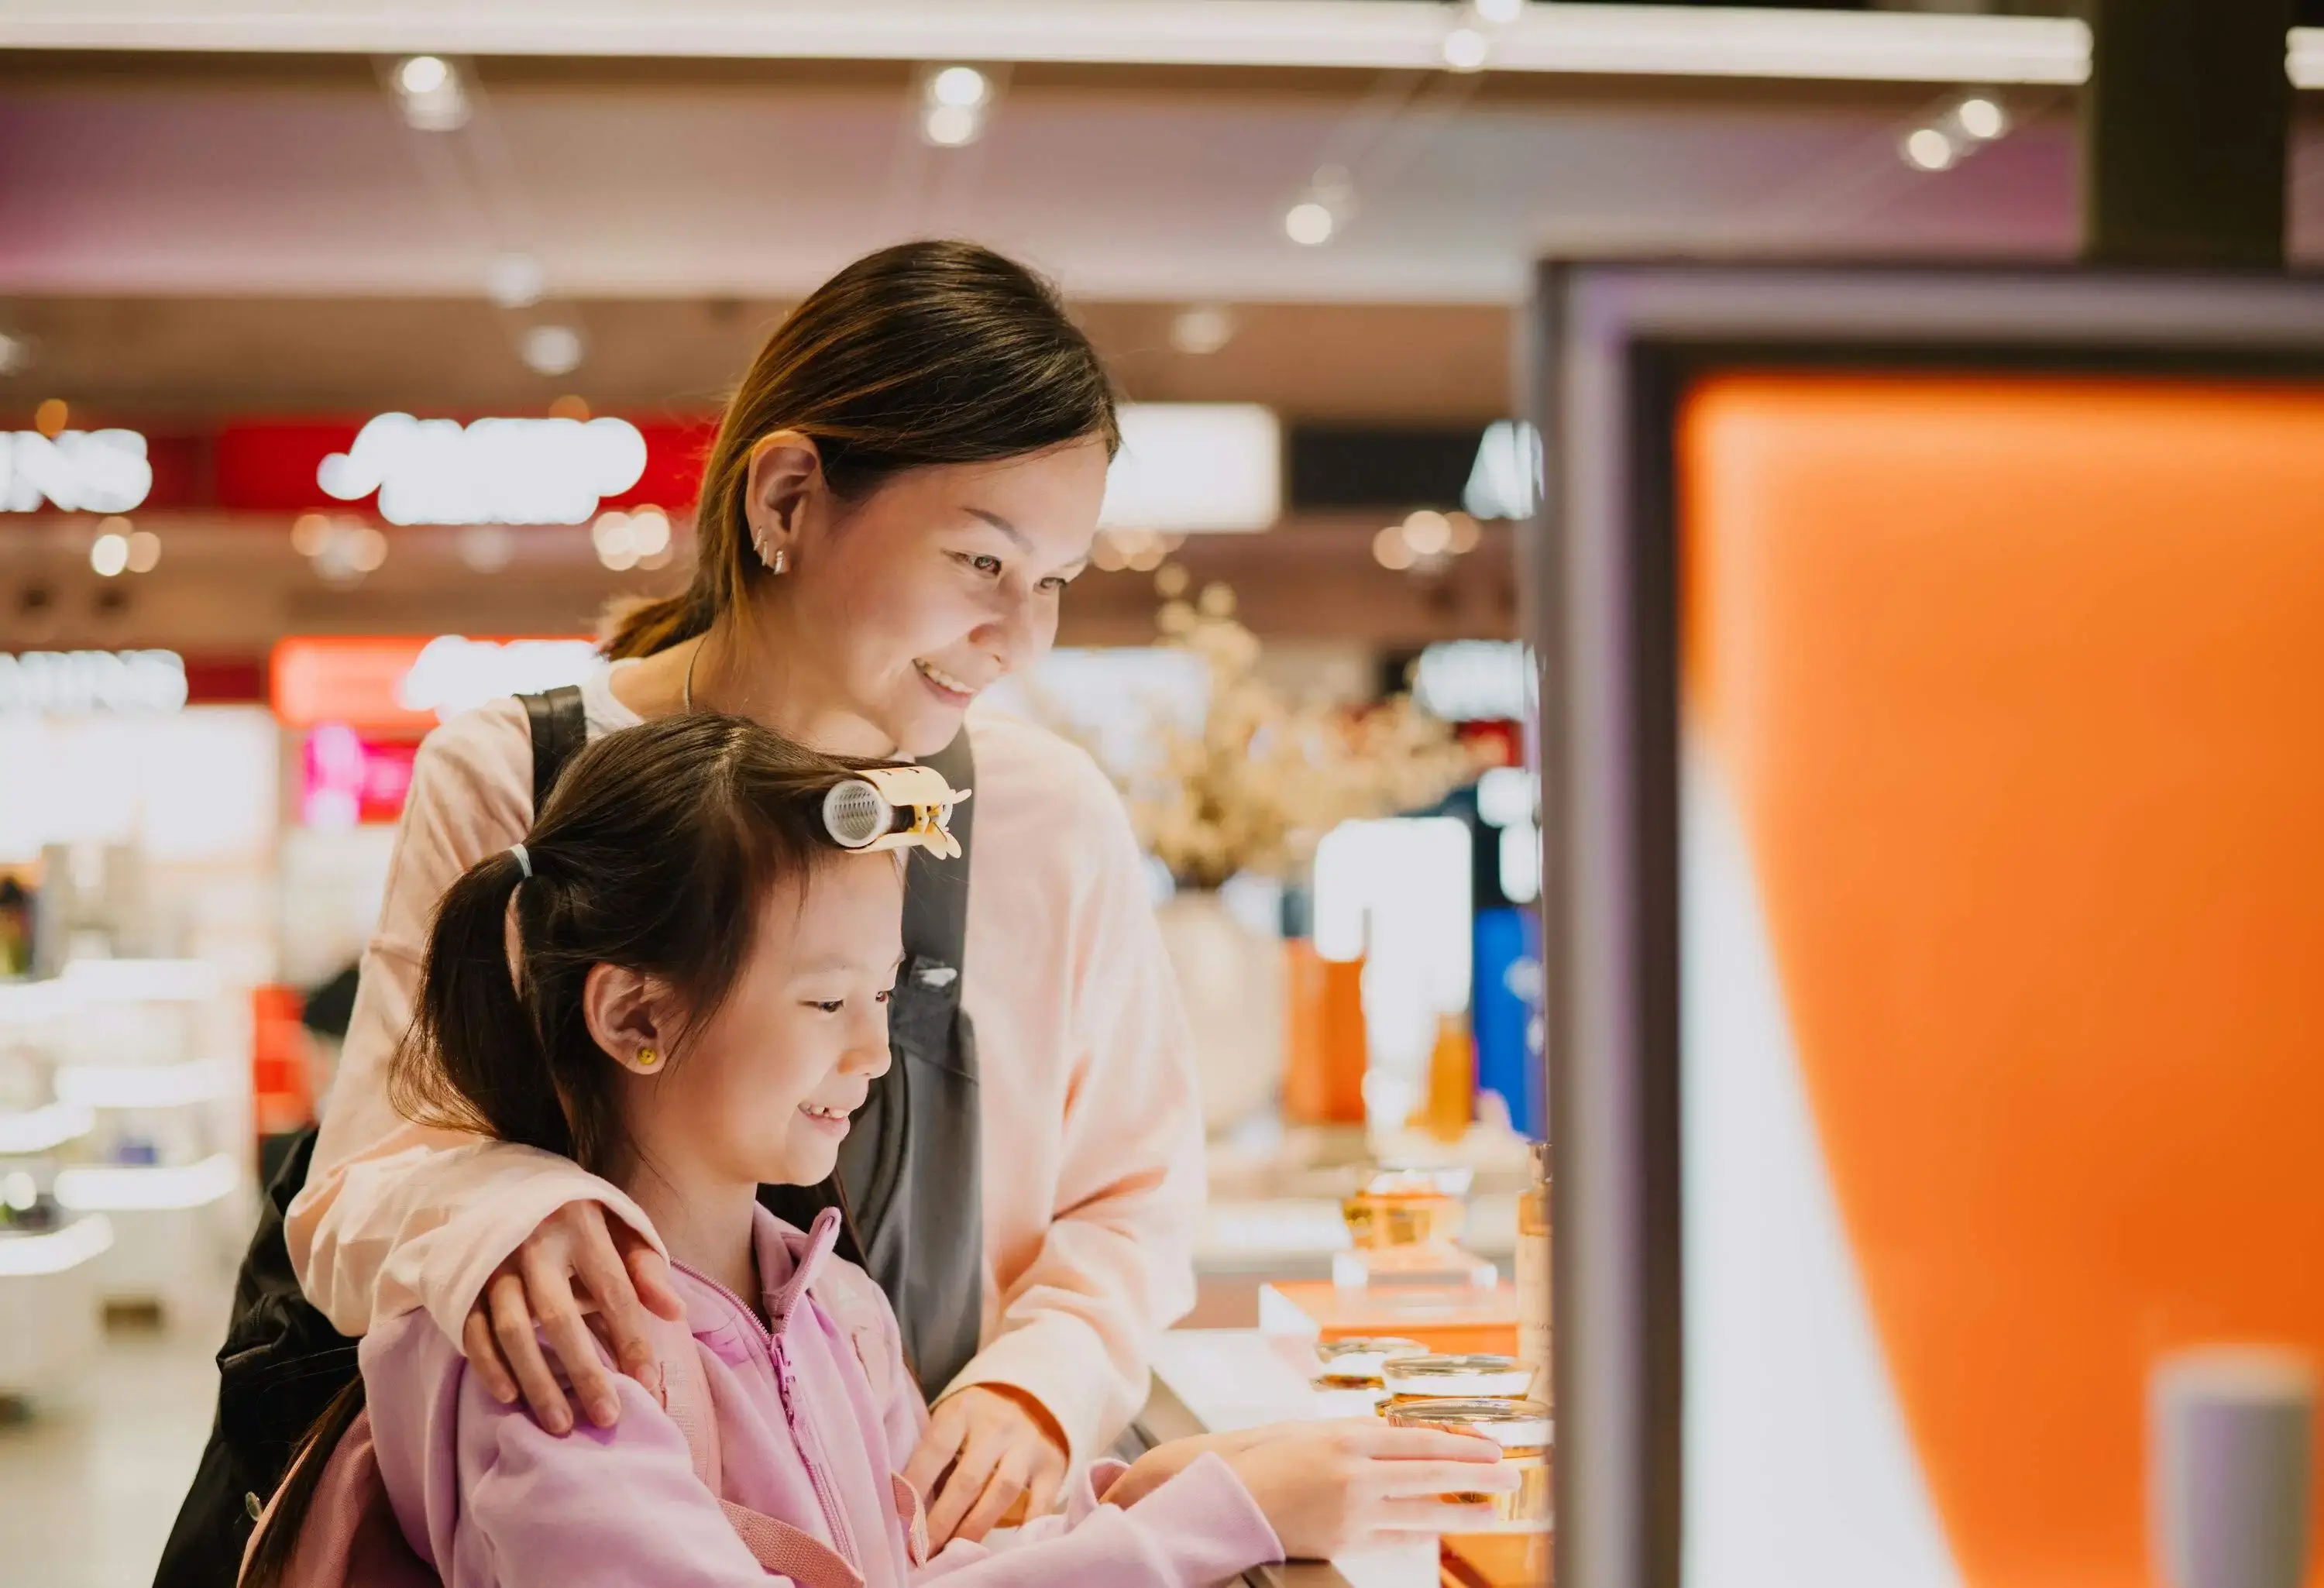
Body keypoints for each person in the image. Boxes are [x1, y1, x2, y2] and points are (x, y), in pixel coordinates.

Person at [243, 715, 1513, 1588]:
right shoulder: (566, 1351)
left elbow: (901, 1564)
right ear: (636, 1014)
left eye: (884, 999)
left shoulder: (832, 1298)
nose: (873, 1053)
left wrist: (1132, 1499)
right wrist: (1205, 1522)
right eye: (823, 1004)